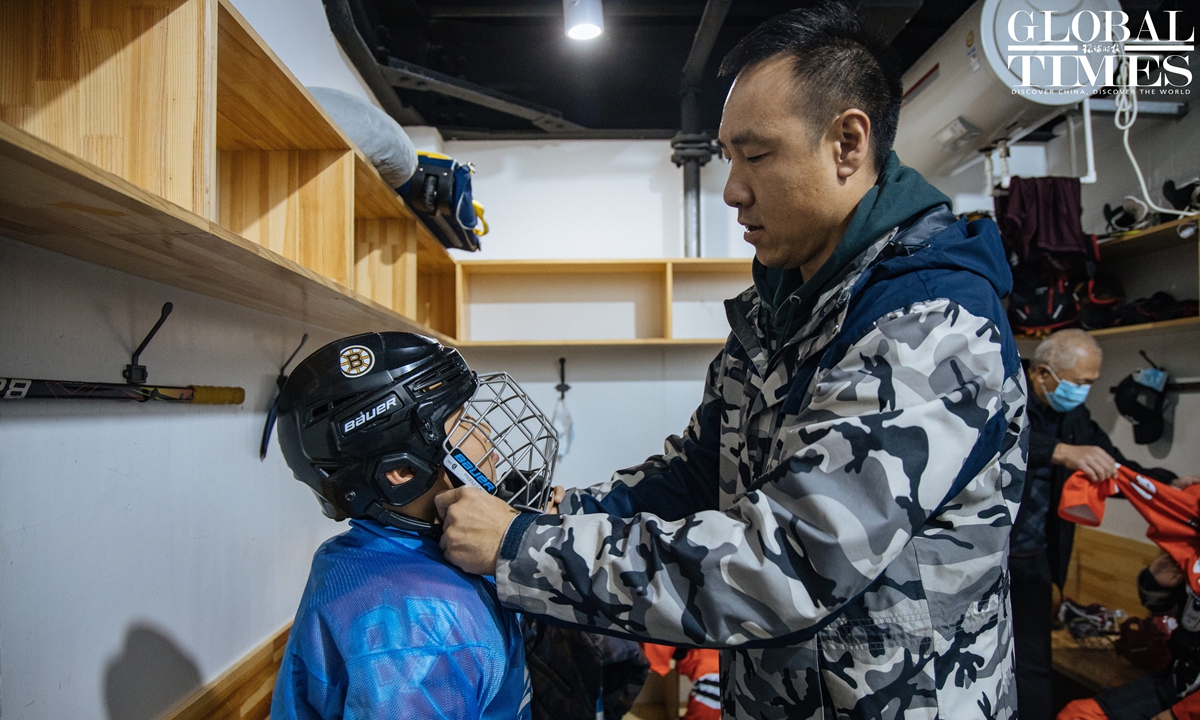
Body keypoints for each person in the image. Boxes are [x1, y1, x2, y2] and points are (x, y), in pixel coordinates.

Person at [434, 4, 1028, 718]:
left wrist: (521, 548)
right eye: (727, 158)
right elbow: (698, 474)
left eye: (758, 156)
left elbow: (787, 565)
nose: (732, 190)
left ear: (847, 143)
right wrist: (560, 510)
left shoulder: (929, 323)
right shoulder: (781, 308)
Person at [268, 332, 558, 720]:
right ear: (403, 471)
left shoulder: (370, 552)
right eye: (464, 420)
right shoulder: (422, 633)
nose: (486, 433)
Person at [1011, 329, 1198, 720]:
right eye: (1080, 382)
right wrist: (1058, 451)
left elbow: (1112, 467)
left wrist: (1166, 482)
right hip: (985, 557)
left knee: (1033, 662)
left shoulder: (1073, 415)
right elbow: (987, 443)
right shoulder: (1001, 389)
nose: (1083, 392)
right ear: (1042, 374)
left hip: (1035, 558)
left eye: (1090, 383)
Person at [1057, 552, 1200, 720]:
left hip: (1191, 704)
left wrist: (1181, 714)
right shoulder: (1193, 550)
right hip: (1173, 682)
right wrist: (1156, 584)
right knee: (1078, 715)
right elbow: (1174, 616)